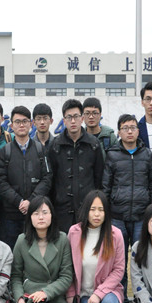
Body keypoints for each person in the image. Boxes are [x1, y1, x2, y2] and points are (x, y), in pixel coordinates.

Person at [102, 113, 152, 303]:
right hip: (117, 216)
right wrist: (107, 214)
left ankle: (143, 299)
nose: (130, 131)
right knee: (119, 261)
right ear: (119, 132)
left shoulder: (146, 154)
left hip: (141, 216)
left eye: (133, 127)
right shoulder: (112, 154)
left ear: (138, 130)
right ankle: (122, 299)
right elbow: (106, 187)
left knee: (141, 259)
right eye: (125, 128)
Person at [66, 190, 128, 303]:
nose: (97, 214)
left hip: (108, 291)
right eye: (93, 209)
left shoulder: (115, 234)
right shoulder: (74, 232)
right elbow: (68, 266)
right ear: (86, 210)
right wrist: (70, 293)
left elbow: (119, 270)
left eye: (101, 210)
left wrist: (99, 294)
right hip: (84, 294)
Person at [11, 196, 73, 303]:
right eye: (36, 213)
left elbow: (66, 276)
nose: (41, 217)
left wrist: (46, 292)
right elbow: (15, 276)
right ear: (30, 217)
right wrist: (19, 299)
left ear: (52, 215)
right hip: (31, 296)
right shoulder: (22, 241)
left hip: (54, 295)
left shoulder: (62, 239)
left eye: (45, 212)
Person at [0, 105, 52, 250]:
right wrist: (19, 202)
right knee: (11, 253)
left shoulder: (40, 150)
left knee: (35, 252)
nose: (21, 125)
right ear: (11, 126)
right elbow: (0, 182)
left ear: (31, 124)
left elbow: (47, 178)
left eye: (25, 121)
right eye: (17, 122)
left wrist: (31, 201)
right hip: (11, 215)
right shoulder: (5, 152)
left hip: (36, 213)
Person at [47, 99, 104, 233]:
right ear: (64, 120)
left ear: (82, 118)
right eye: (69, 117)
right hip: (61, 210)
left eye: (76, 116)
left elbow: (99, 177)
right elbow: (50, 179)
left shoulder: (94, 144)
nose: (73, 121)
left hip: (87, 208)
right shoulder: (55, 145)